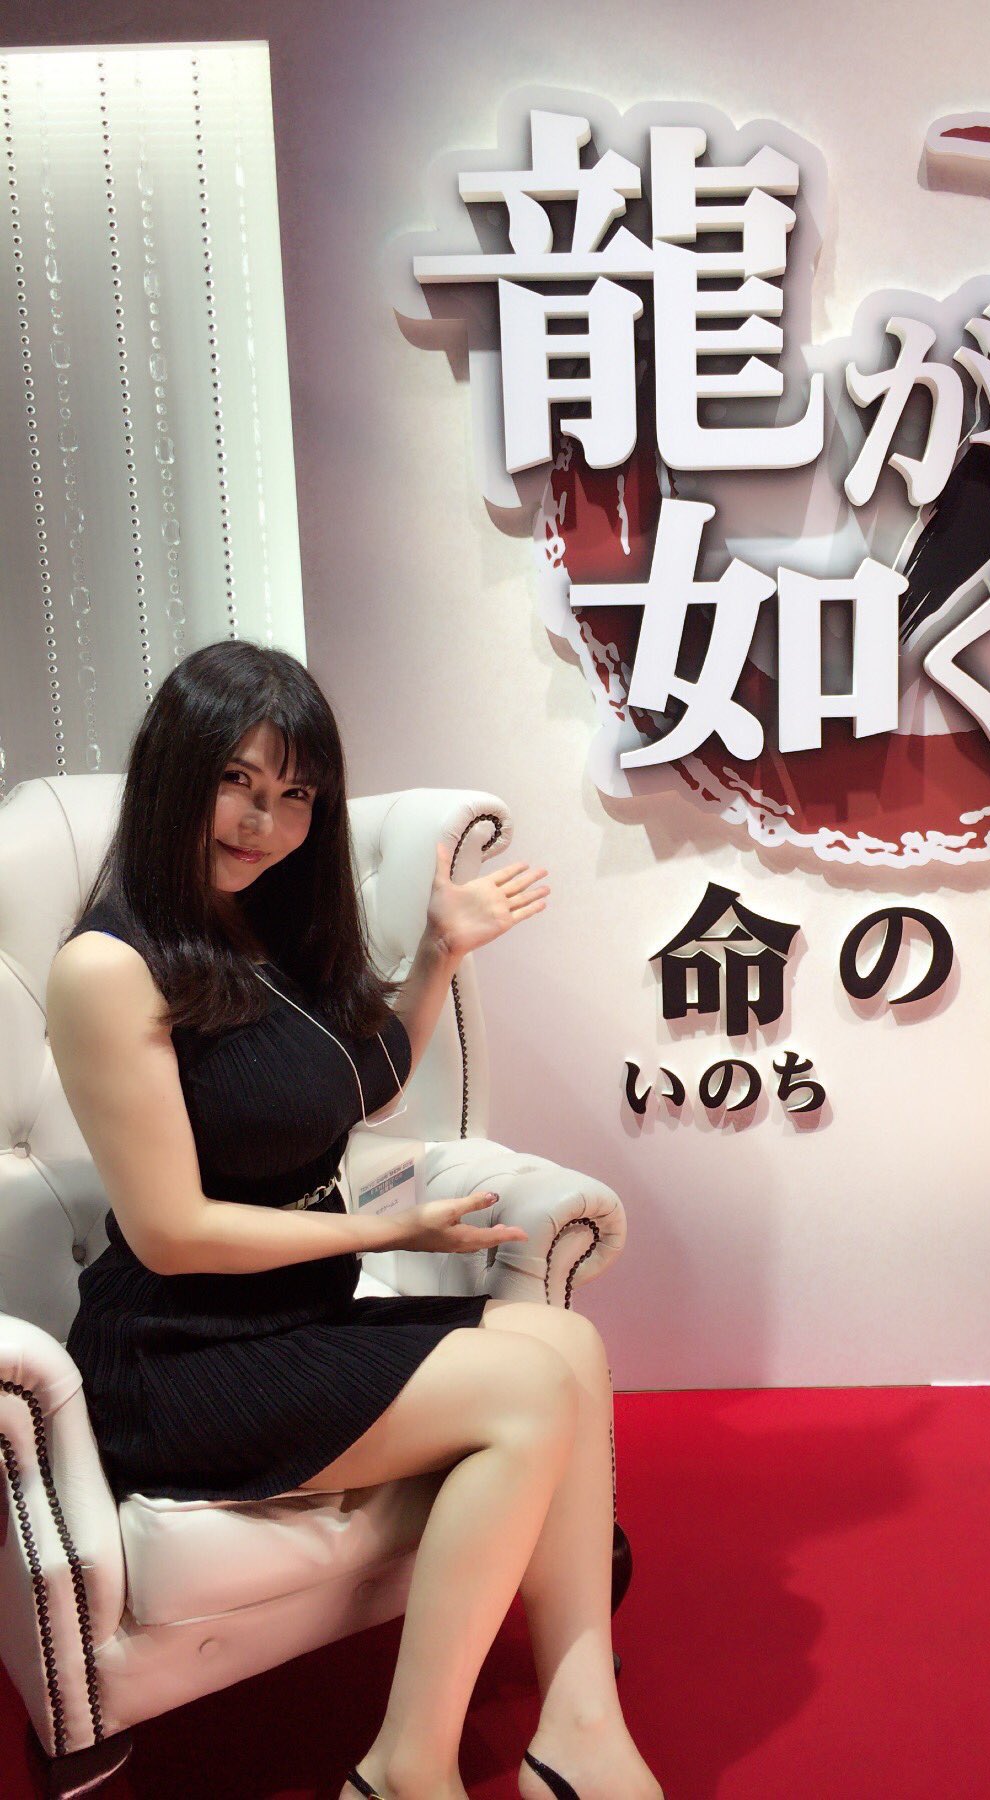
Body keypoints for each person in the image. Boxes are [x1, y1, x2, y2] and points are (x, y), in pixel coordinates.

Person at [46, 640, 662, 1800]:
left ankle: (580, 1722)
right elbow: (172, 1232)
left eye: (294, 796)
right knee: (530, 1393)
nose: (263, 822)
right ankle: (401, 1770)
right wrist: (388, 1234)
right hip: (178, 1357)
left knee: (569, 1347)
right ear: (176, 771)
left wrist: (439, 953)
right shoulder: (109, 967)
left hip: (289, 1320)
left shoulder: (265, 927)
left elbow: (362, 1085)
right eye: (237, 782)